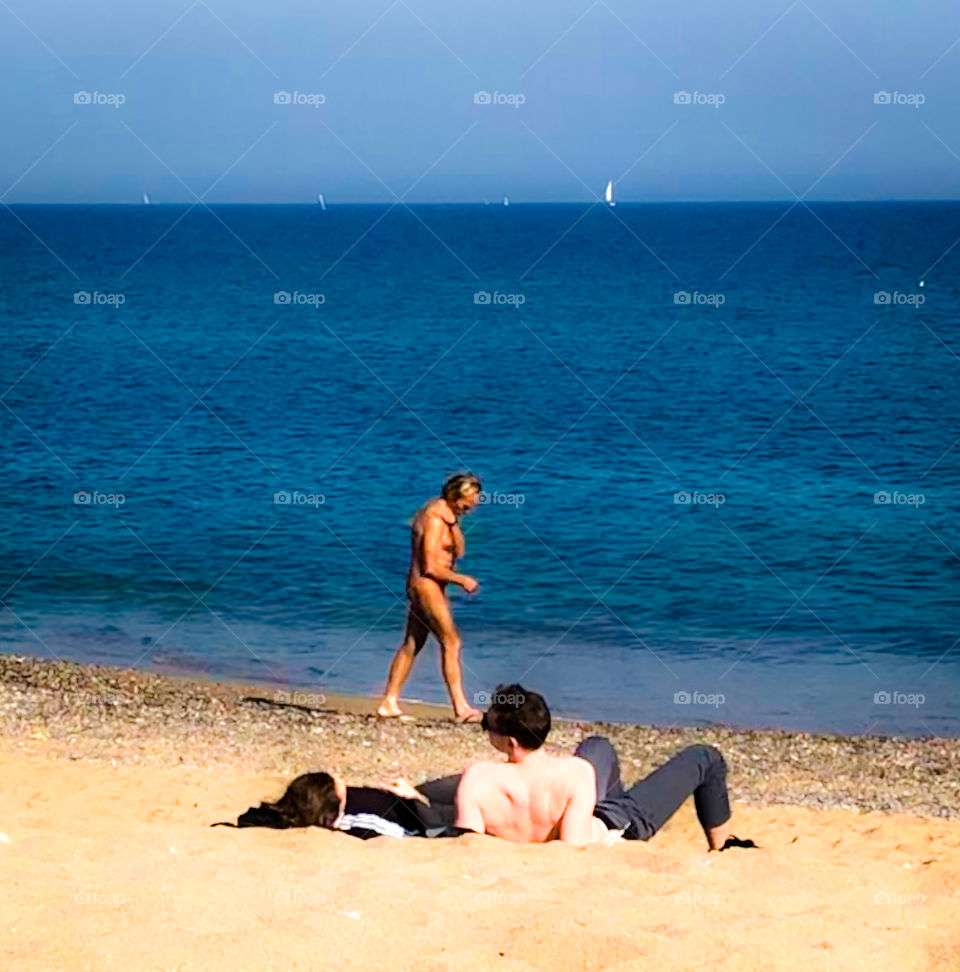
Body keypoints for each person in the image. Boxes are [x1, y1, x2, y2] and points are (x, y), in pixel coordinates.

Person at [455, 684, 756, 850]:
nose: (484, 728)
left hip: (580, 808)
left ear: (510, 742)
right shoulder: (574, 773)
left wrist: (418, 799)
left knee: (598, 745)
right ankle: (723, 849)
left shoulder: (477, 780)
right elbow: (575, 850)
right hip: (616, 826)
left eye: (486, 726)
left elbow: (467, 843)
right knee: (705, 757)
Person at [378, 472, 484, 723]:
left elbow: (458, 550)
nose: (474, 505)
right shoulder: (435, 518)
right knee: (452, 641)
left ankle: (388, 702)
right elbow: (429, 566)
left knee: (413, 643)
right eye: (470, 500)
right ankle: (461, 707)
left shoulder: (449, 517)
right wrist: (462, 580)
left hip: (432, 586)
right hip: (425, 584)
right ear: (455, 496)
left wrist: (456, 522)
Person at [215, 771, 462, 840]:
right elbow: (434, 834)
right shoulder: (360, 824)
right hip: (431, 816)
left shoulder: (296, 808)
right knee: (470, 783)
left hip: (413, 802)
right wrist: (414, 799)